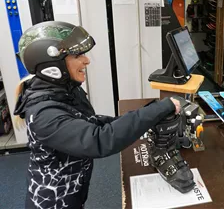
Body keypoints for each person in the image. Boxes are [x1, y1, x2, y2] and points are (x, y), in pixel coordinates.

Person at [13, 21, 186, 208]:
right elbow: (98, 140)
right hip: (54, 201)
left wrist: (147, 117)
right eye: (78, 55)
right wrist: (157, 110)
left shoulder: (66, 91)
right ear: (52, 65)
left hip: (73, 192)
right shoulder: (43, 114)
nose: (86, 61)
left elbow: (91, 122)